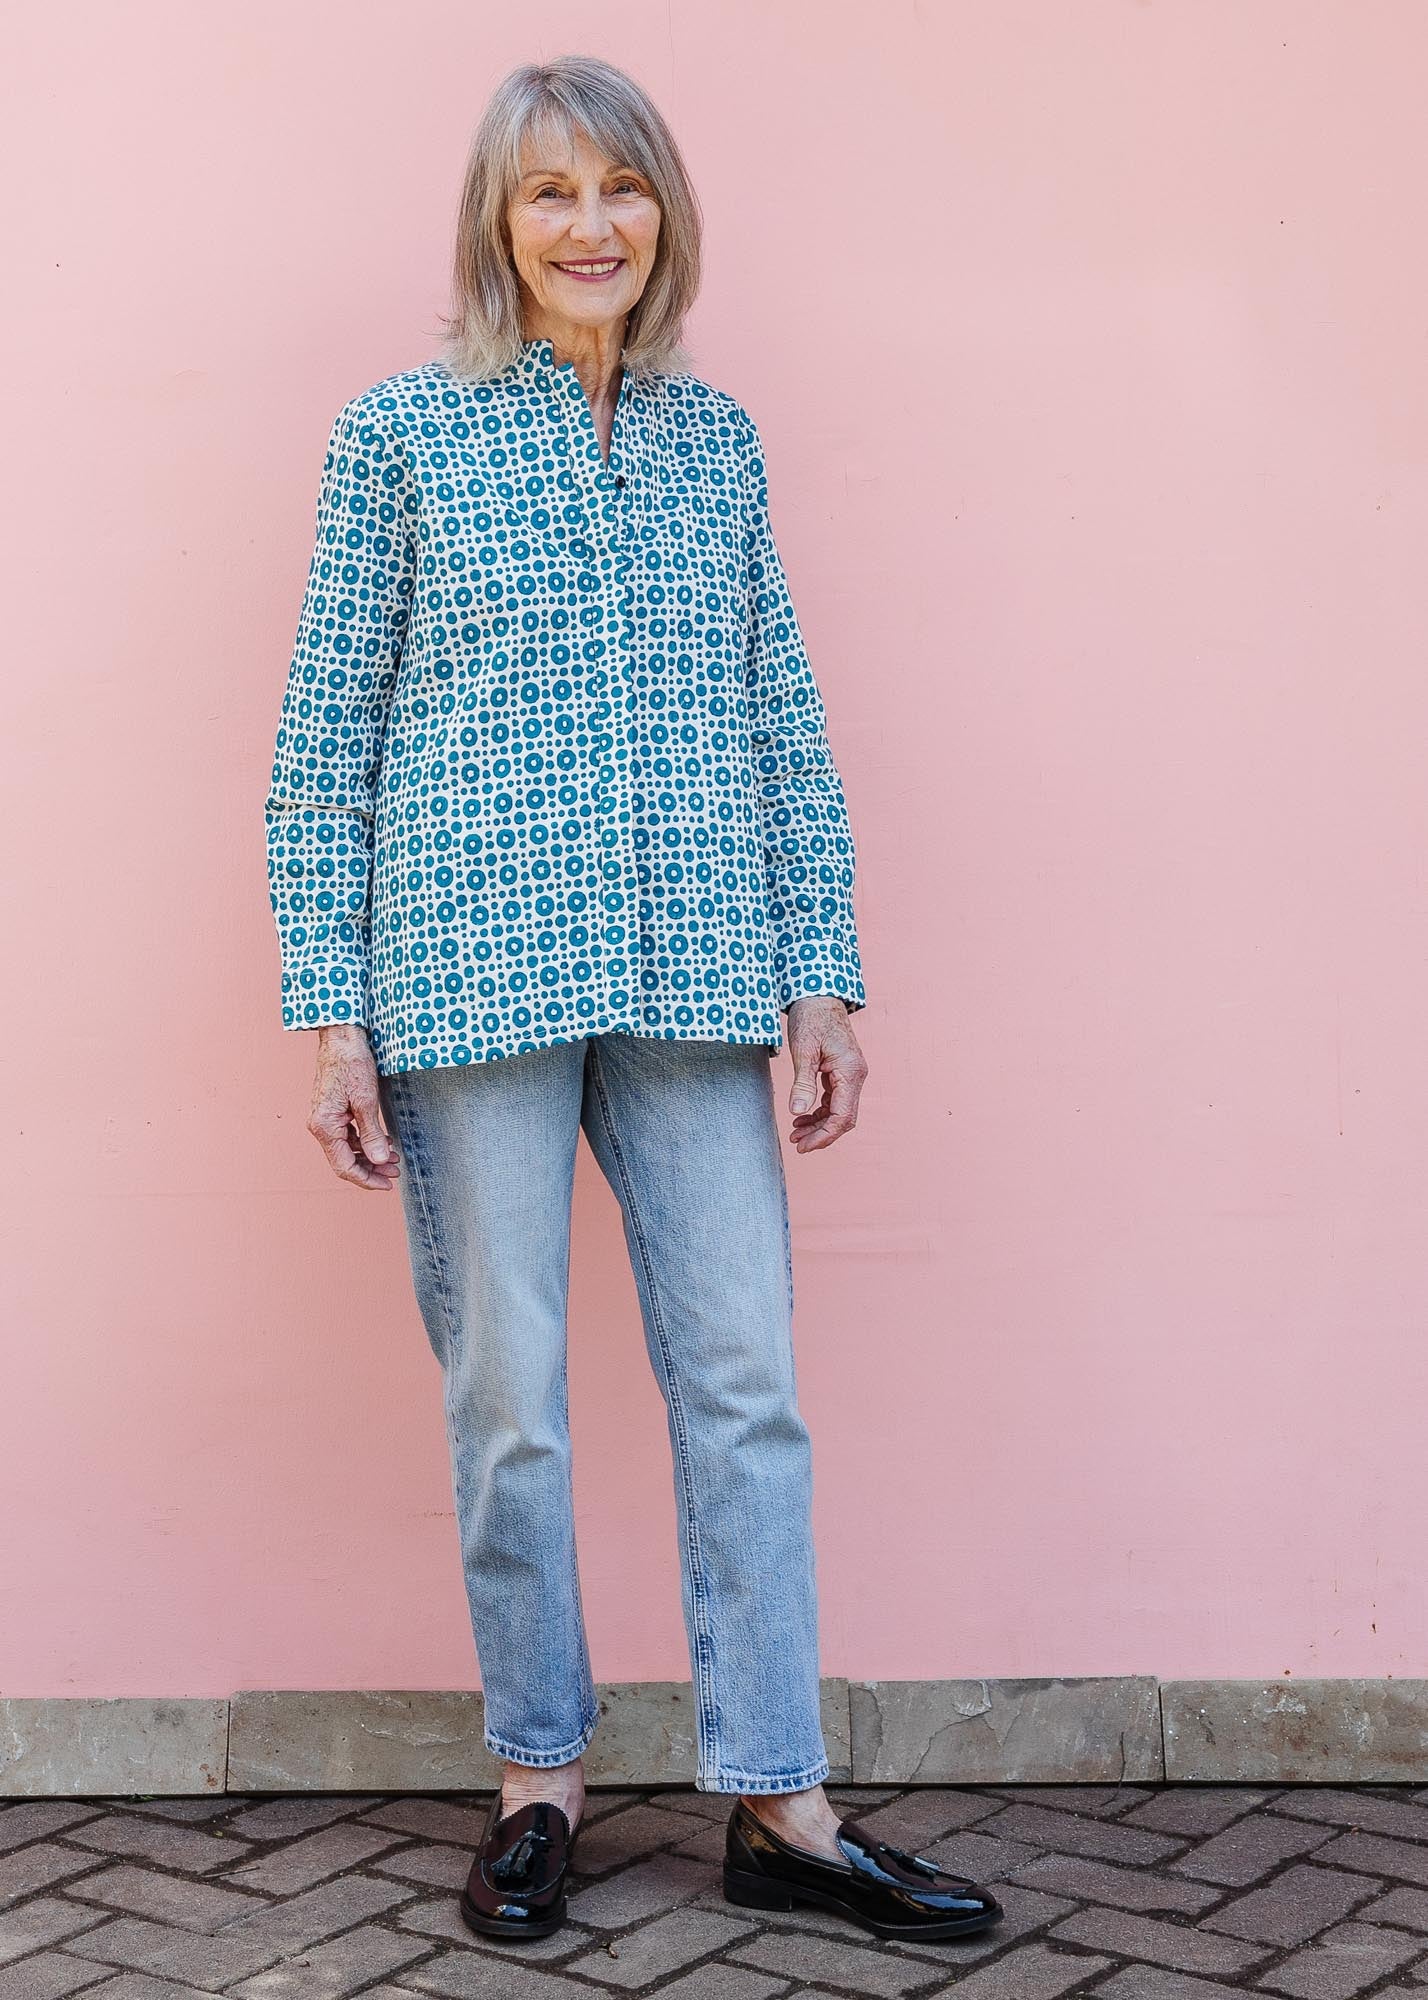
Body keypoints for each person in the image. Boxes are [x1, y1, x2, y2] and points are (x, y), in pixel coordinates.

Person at [263, 51, 1001, 1948]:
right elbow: (324, 735)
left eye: (623, 189)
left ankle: (781, 1799)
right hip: (468, 977)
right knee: (510, 1401)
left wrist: (824, 967)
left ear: (663, 214)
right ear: (495, 227)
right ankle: (538, 1776)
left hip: (695, 967)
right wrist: (328, 1009)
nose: (590, 224)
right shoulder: (399, 437)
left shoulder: (714, 440)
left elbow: (777, 708)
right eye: (549, 193)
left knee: (743, 1384)